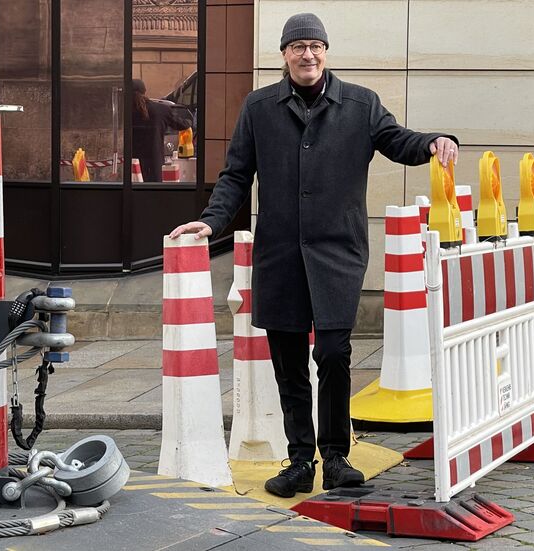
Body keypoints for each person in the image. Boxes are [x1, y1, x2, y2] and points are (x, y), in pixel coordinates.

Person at [168, 13, 458, 498]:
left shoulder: (360, 104)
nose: (308, 54)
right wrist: (213, 220)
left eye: (316, 46)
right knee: (287, 360)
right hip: (280, 254)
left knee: (332, 352)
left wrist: (434, 142)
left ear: (326, 52)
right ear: (284, 54)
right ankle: (300, 460)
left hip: (336, 252)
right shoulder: (259, 107)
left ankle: (338, 457)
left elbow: (397, 140)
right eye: (298, 46)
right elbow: (237, 174)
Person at [132, 79, 192, 182]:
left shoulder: (124, 111)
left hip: (131, 165)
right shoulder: (161, 109)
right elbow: (183, 125)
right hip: (154, 164)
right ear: (144, 91)